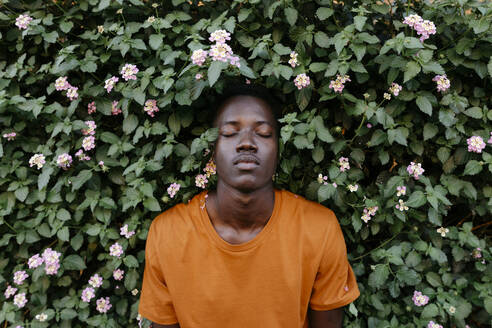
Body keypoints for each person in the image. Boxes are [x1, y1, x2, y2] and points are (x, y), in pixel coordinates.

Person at [138, 83, 359, 328]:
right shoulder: (168, 233)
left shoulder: (318, 228)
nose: (246, 143)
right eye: (230, 133)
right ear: (212, 151)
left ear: (277, 151)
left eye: (263, 133)